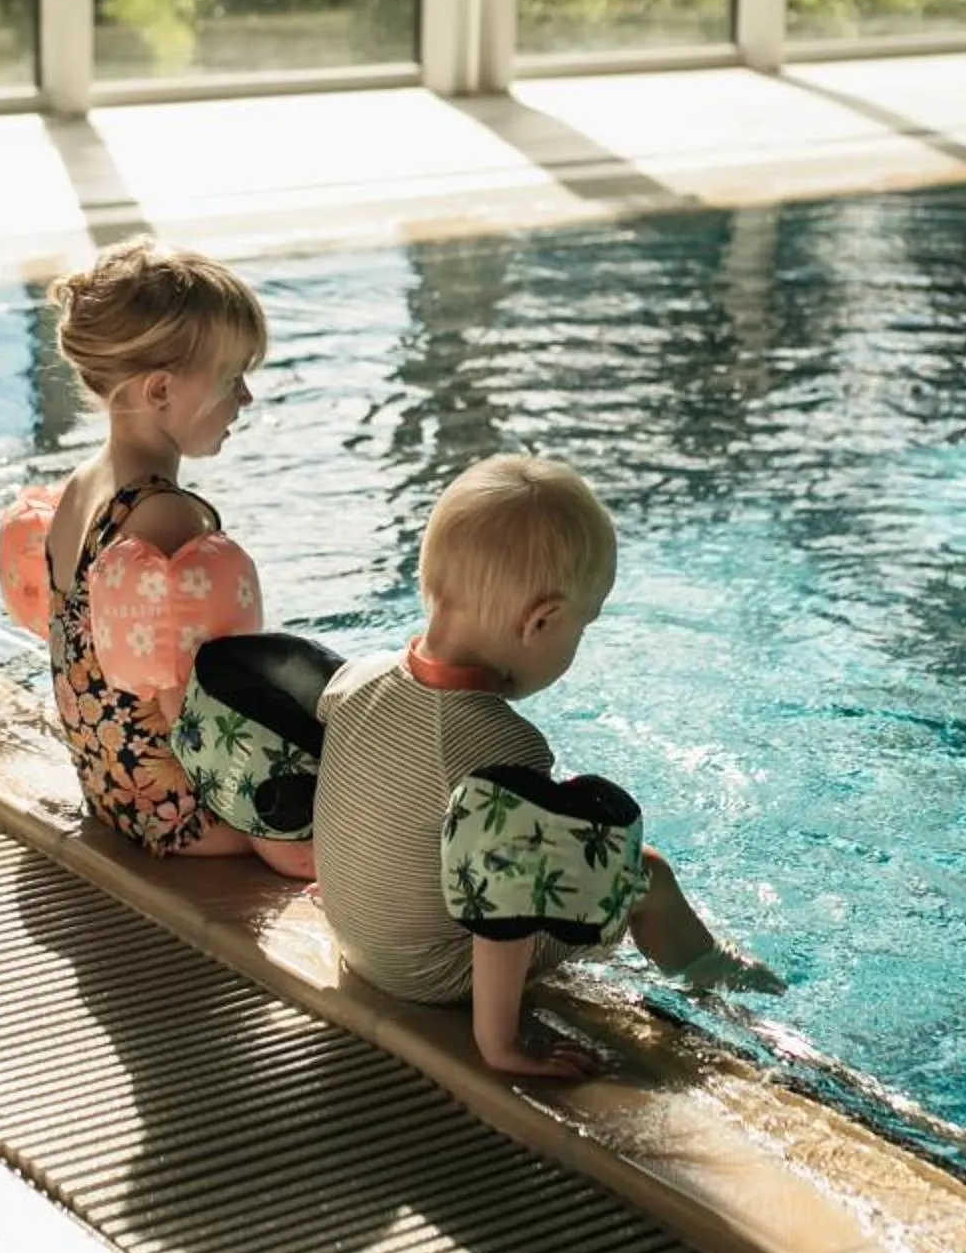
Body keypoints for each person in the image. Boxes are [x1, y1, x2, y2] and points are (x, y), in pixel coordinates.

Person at [309, 453, 782, 1078]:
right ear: (542, 620)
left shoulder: (357, 678)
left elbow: (361, 790)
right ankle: (722, 983)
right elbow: (506, 906)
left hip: (355, 938)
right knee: (645, 874)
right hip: (432, 974)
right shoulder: (500, 744)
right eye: (582, 628)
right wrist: (500, 1043)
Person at [27, 241, 314, 875]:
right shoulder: (165, 519)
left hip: (114, 797)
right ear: (160, 389)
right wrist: (289, 837)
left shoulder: (80, 488)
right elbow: (198, 717)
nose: (246, 398)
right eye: (232, 379)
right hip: (185, 819)